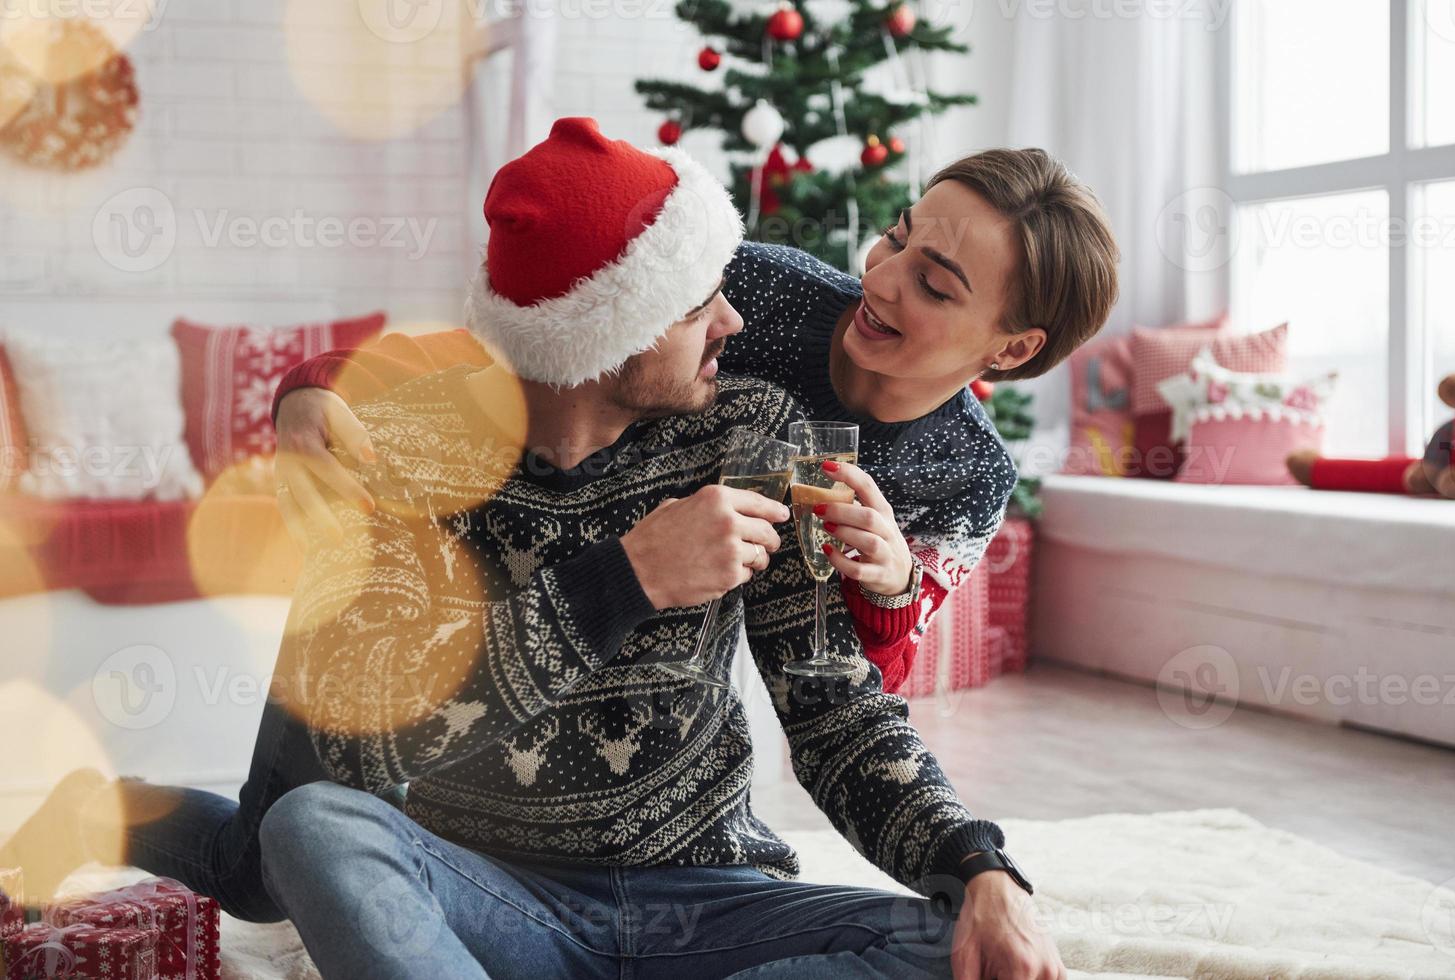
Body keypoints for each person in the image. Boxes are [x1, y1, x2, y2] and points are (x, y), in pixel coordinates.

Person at [2, 119, 1065, 980]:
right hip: (492, 885)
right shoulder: (407, 457)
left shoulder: (759, 435)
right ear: (610, 331)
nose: (735, 317)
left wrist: (978, 864)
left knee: (945, 937)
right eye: (701, 302)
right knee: (301, 833)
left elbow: (836, 702)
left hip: (706, 896)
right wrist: (624, 580)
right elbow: (374, 755)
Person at [271, 146, 1121, 692]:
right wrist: (326, 382)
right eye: (895, 240)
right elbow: (529, 341)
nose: (883, 279)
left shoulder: (965, 477)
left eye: (934, 286)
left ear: (1011, 351)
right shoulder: (755, 286)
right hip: (543, 564)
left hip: (683, 676)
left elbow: (867, 681)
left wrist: (890, 584)